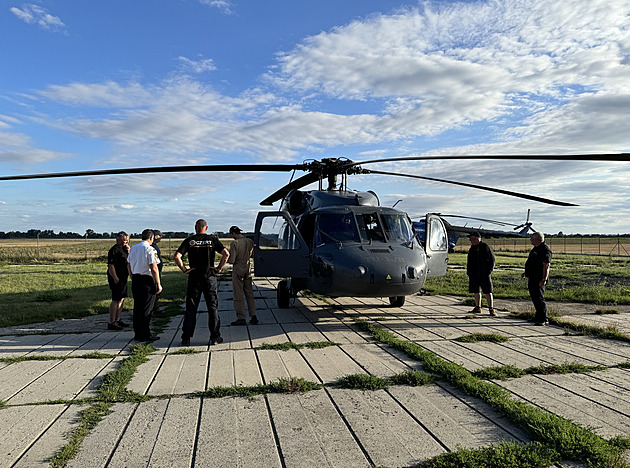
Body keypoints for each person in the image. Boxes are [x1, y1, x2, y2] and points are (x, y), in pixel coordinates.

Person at [174, 219, 230, 346]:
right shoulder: (212, 240)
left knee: (191, 308)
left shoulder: (190, 240)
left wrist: (184, 269)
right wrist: (219, 268)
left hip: (194, 277)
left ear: (195, 227)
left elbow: (177, 256)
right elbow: (226, 254)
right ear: (206, 227)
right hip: (209, 277)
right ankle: (215, 337)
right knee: (212, 307)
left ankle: (186, 338)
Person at [127, 229, 162, 341]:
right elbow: (154, 267)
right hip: (147, 280)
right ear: (151, 238)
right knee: (147, 308)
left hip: (136, 279)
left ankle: (137, 333)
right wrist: (158, 283)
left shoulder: (133, 248)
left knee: (137, 307)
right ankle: (145, 334)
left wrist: (132, 276)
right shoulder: (150, 249)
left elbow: (128, 264)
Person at [227, 226, 257, 326]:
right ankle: (253, 316)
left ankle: (241, 317)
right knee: (249, 293)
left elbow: (232, 260)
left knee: (238, 294)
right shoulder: (249, 241)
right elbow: (251, 253)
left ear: (233, 233)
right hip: (247, 268)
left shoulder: (235, 243)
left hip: (238, 269)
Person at [522, 231, 552, 326]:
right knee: (534, 297)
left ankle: (544, 318)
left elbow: (546, 266)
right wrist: (526, 272)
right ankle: (538, 316)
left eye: (532, 238)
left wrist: (544, 279)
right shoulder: (536, 248)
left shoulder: (544, 250)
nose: (530, 240)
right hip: (532, 276)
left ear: (537, 239)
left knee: (539, 298)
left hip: (539, 278)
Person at [466, 232, 496, 316]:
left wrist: (488, 271)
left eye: (471, 239)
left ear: (477, 238)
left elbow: (492, 260)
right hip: (474, 273)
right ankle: (477, 307)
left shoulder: (485, 247)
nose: (470, 241)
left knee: (487, 291)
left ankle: (491, 309)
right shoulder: (472, 248)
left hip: (484, 273)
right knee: (475, 290)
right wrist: (469, 272)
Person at [107, 231, 131, 330]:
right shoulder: (114, 250)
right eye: (124, 241)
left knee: (122, 298)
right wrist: (115, 278)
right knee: (116, 299)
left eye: (127, 240)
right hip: (116, 277)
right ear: (118, 240)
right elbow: (110, 266)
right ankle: (112, 321)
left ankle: (118, 319)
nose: (125, 242)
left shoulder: (124, 249)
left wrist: (128, 250)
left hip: (124, 276)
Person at [151, 229, 164, 312]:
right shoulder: (152, 247)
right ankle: (154, 308)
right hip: (154, 272)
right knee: (156, 290)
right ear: (155, 237)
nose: (161, 237)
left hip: (157, 271)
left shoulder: (154, 245)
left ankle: (154, 306)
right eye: (160, 236)